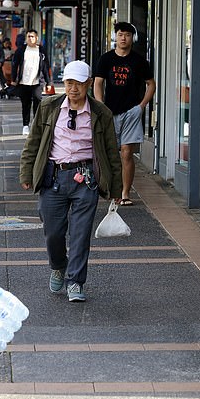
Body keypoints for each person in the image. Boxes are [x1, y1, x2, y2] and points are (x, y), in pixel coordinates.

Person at [20, 60, 122, 302]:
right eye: (68, 83)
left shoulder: (101, 113)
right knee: (53, 232)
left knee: (80, 234)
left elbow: (111, 152)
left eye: (78, 83)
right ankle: (58, 265)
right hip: (53, 177)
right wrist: (26, 173)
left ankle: (75, 282)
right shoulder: (48, 106)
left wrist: (117, 188)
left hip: (86, 179)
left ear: (88, 84)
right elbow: (33, 142)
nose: (73, 88)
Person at [93, 21, 156, 206]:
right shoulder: (106, 59)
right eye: (120, 34)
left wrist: (142, 106)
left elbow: (151, 84)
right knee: (109, 152)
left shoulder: (139, 61)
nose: (123, 38)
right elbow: (98, 83)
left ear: (132, 38)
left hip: (131, 112)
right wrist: (100, 105)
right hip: (109, 112)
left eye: (127, 35)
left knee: (127, 153)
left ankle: (125, 193)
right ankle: (110, 188)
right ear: (115, 37)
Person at [11, 28, 51, 135]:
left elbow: (46, 67)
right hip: (24, 82)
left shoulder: (41, 51)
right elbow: (14, 65)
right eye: (28, 36)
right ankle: (25, 125)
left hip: (37, 82)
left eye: (32, 36)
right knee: (26, 104)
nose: (30, 38)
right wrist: (13, 79)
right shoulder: (20, 50)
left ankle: (36, 124)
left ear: (36, 38)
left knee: (38, 103)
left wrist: (49, 83)